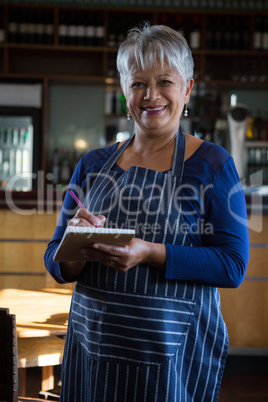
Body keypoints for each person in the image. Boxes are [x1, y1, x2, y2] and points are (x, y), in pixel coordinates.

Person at [44, 23, 249, 401]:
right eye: (138, 83)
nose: (151, 95)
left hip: (171, 358)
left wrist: (149, 252)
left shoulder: (213, 165)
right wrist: (74, 245)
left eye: (164, 81)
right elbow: (57, 262)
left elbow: (232, 265)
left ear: (187, 89)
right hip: (95, 349)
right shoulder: (93, 164)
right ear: (124, 91)